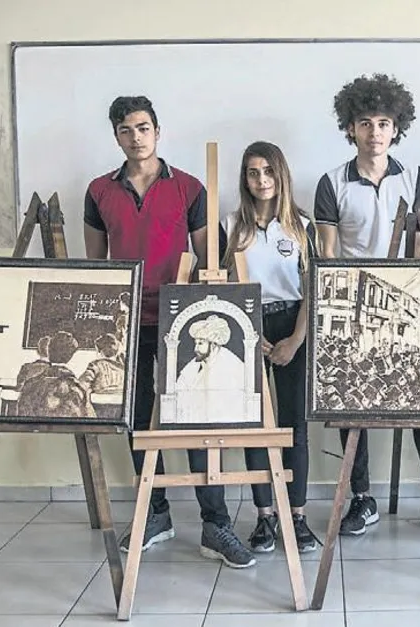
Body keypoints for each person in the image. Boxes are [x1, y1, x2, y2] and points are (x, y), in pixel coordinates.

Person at [83, 95, 254, 569]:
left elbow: (208, 260)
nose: (135, 137)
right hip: (129, 321)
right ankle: (155, 515)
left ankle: (215, 523)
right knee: (137, 420)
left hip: (183, 321)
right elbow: (96, 265)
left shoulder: (190, 188)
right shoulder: (98, 191)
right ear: (116, 136)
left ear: (157, 132)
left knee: (198, 419)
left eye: (143, 128)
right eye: (125, 130)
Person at [314, 73, 420, 539]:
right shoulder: (331, 182)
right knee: (352, 405)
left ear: (396, 127)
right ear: (351, 128)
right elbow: (328, 256)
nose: (375, 132)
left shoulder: (414, 177)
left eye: (384, 123)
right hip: (355, 307)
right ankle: (361, 499)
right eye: (365, 123)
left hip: (408, 305)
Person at [223, 140, 320, 554]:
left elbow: (312, 288)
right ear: (244, 179)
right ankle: (265, 516)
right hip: (250, 325)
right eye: (253, 172)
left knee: (294, 424)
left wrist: (295, 340)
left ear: (281, 175)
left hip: (293, 324)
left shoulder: (301, 226)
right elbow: (225, 285)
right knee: (256, 424)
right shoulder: (232, 226)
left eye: (268, 171)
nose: (261, 180)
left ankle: (296, 515)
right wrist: (248, 331)